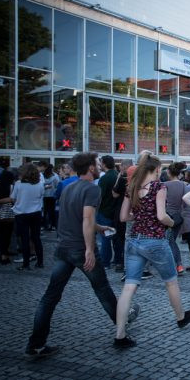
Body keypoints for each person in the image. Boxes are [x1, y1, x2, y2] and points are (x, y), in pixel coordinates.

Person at [24, 152, 138, 358]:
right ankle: (121, 332)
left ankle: (35, 344)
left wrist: (99, 228)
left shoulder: (68, 187)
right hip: (80, 248)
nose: (99, 166)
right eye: (96, 164)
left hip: (63, 248)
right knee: (103, 289)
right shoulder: (92, 189)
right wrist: (89, 249)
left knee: (50, 297)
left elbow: (77, 218)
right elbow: (86, 219)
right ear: (90, 167)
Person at [115, 153, 190, 348]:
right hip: (154, 241)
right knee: (171, 281)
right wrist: (171, 223)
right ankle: (181, 317)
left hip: (134, 240)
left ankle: (120, 335)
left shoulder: (131, 187)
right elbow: (161, 216)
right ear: (157, 169)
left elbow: (123, 217)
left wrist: (140, 217)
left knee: (129, 286)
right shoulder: (158, 187)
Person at [9, 163, 45, 270]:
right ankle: (40, 262)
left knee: (25, 239)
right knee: (36, 238)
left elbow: (13, 198)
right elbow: (40, 196)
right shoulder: (40, 184)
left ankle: (26, 264)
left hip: (22, 214)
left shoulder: (18, 184)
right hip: (36, 213)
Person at [164, 162, 187, 275]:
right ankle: (178, 264)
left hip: (168, 216)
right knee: (171, 240)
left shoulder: (165, 185)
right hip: (179, 217)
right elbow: (184, 203)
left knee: (169, 241)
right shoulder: (184, 185)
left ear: (169, 172)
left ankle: (178, 264)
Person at [96, 156, 118, 269]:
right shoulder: (117, 175)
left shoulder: (105, 178)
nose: (100, 165)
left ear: (104, 164)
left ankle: (105, 262)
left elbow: (99, 196)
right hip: (115, 212)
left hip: (105, 213)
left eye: (100, 163)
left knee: (105, 238)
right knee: (115, 238)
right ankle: (117, 260)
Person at [42, 163, 59, 231]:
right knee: (52, 211)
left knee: (44, 211)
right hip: (52, 195)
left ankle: (44, 225)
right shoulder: (55, 176)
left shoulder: (42, 175)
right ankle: (53, 225)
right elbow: (57, 185)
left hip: (44, 196)